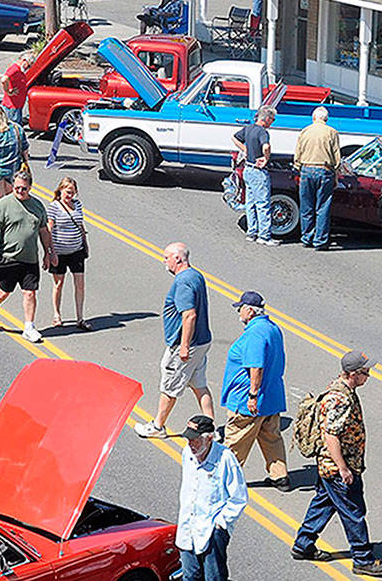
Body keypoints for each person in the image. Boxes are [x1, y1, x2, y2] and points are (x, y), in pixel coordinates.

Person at [292, 350, 382, 578]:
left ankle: (303, 544)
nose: (368, 376)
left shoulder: (340, 388)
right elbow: (331, 435)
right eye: (365, 372)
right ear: (354, 374)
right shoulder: (341, 399)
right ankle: (363, 559)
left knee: (324, 503)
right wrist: (343, 468)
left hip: (330, 467)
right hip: (338, 467)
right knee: (353, 511)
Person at [136, 242, 216, 438]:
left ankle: (158, 426)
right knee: (199, 385)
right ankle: (210, 428)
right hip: (202, 341)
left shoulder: (183, 282)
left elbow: (189, 315)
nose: (165, 262)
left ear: (178, 258)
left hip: (187, 344)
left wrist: (184, 346)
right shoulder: (195, 275)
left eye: (166, 258)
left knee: (170, 386)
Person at [220, 290, 289, 491]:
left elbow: (256, 366)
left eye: (240, 308)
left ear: (249, 311)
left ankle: (224, 481)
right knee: (271, 437)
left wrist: (252, 395)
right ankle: (279, 476)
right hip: (271, 397)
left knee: (236, 441)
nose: (239, 312)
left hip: (248, 400)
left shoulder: (255, 334)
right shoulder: (271, 328)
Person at [0, 169, 55, 343]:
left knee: (30, 293)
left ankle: (29, 327)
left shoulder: (37, 206)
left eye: (24, 188)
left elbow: (44, 231)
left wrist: (48, 253)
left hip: (30, 259)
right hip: (9, 257)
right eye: (17, 188)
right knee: (3, 292)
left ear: (30, 187)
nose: (20, 191)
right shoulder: (4, 204)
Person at [174, 414, 248, 581]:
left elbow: (239, 497)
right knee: (190, 575)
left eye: (195, 440)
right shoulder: (187, 453)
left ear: (209, 439)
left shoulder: (225, 459)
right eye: (189, 439)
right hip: (188, 527)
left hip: (211, 530)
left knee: (214, 577)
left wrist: (221, 524)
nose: (191, 444)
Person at [46, 176, 90, 330]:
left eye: (72, 192)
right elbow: (49, 229)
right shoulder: (54, 206)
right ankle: (57, 314)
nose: (69, 195)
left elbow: (80, 224)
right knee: (59, 283)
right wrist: (50, 252)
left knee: (80, 285)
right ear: (60, 191)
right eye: (67, 192)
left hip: (76, 250)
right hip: (60, 251)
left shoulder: (77, 205)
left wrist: (85, 243)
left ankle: (80, 318)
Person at [295, 106, 341, 250]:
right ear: (326, 119)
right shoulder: (332, 132)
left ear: (314, 118)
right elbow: (336, 157)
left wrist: (298, 168)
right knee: (323, 207)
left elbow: (298, 153)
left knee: (306, 206)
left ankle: (306, 237)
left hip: (307, 168)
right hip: (324, 169)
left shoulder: (305, 131)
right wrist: (336, 175)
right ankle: (320, 240)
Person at [233, 107, 278, 246]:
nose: (273, 122)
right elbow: (266, 147)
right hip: (258, 172)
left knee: (250, 203)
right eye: (272, 119)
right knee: (263, 203)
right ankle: (264, 236)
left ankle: (251, 232)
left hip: (248, 169)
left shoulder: (248, 128)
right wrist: (266, 158)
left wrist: (245, 149)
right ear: (266, 119)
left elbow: (235, 138)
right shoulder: (263, 132)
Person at [0, 53, 34, 126]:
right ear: (24, 60)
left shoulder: (19, 70)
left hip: (16, 105)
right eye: (28, 65)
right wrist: (8, 91)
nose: (28, 68)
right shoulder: (15, 69)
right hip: (12, 106)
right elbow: (4, 79)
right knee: (14, 128)